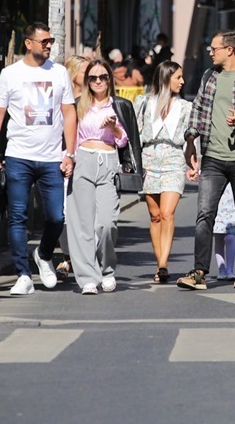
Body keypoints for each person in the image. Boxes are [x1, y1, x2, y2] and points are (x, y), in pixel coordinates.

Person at [0, 22, 77, 296]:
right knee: (18, 218)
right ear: (29, 43)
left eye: (51, 41)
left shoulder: (59, 73)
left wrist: (69, 152)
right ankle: (23, 274)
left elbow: (69, 113)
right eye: (44, 41)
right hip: (18, 157)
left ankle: (44, 254)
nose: (49, 45)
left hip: (51, 159)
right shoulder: (11, 75)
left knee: (56, 218)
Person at [178, 30, 235, 291]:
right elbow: (198, 109)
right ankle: (199, 272)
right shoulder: (209, 78)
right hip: (213, 158)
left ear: (229, 50)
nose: (210, 52)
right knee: (204, 215)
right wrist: (190, 140)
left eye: (214, 48)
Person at [65, 59, 135, 295]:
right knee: (83, 224)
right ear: (87, 81)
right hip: (83, 161)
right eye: (93, 78)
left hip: (108, 163)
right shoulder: (78, 105)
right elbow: (70, 137)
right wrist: (68, 159)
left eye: (103, 77)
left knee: (106, 224)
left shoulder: (119, 106)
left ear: (109, 80)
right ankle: (87, 277)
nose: (98, 81)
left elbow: (125, 141)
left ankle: (107, 270)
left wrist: (114, 128)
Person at [135, 61, 193, 283]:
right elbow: (135, 133)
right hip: (149, 160)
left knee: (167, 213)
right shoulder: (143, 103)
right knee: (155, 215)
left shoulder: (186, 107)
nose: (182, 81)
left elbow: (190, 138)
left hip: (174, 160)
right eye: (178, 77)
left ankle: (162, 265)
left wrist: (193, 160)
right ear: (166, 78)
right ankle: (161, 263)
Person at [55, 54, 90, 281]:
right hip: (62, 158)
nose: (91, 76)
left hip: (86, 159)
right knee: (63, 212)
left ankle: (82, 257)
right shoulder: (62, 101)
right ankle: (68, 255)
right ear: (73, 74)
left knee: (86, 212)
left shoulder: (93, 100)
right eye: (85, 71)